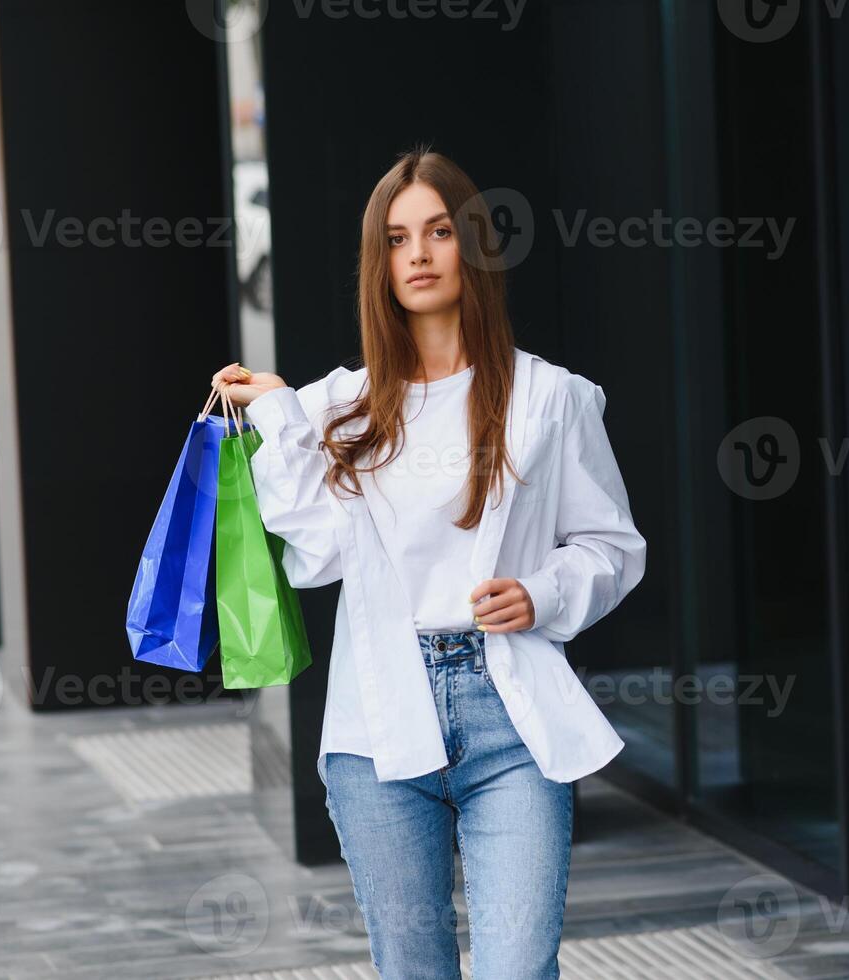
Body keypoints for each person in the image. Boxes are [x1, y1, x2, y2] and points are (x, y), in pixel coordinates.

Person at [211, 146, 646, 979]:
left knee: (518, 969)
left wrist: (544, 591)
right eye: (398, 238)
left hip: (509, 719)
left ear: (471, 247)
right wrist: (278, 417)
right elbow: (317, 558)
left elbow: (613, 547)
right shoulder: (335, 406)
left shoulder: (550, 397)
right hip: (379, 724)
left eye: (439, 231)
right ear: (379, 263)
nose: (418, 253)